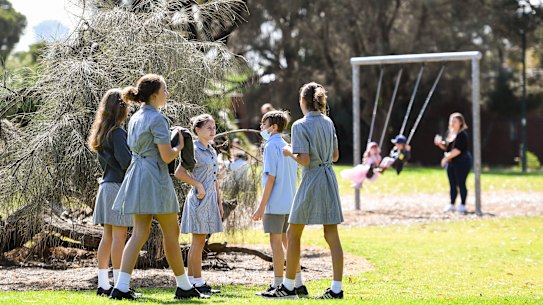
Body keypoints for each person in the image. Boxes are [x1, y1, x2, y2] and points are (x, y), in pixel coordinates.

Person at [110, 74, 208, 300]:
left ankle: (121, 287)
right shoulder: (157, 119)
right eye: (165, 90)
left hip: (136, 176)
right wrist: (180, 144)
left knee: (138, 234)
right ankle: (183, 287)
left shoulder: (135, 117)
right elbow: (166, 157)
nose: (167, 94)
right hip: (155, 177)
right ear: (154, 95)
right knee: (171, 233)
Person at [263, 82, 344, 299]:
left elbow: (305, 160)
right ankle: (336, 289)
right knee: (331, 234)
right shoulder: (329, 122)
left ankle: (289, 287)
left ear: (302, 101)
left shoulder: (299, 125)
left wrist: (290, 152)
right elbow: (335, 156)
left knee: (292, 233)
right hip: (329, 178)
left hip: (312, 180)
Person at [251, 110, 306, 296]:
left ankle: (278, 285)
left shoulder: (270, 147)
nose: (261, 127)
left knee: (276, 243)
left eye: (264, 124)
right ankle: (298, 284)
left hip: (275, 203)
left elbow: (271, 178)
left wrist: (261, 206)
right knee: (289, 243)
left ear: (274, 127)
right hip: (290, 203)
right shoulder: (288, 147)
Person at [87, 89, 134, 297]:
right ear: (121, 108)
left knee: (107, 236)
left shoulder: (101, 131)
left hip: (105, 187)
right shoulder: (117, 132)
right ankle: (118, 286)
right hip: (117, 188)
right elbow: (126, 162)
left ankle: (104, 284)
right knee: (119, 237)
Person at [176, 114, 224, 294]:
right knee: (197, 242)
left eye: (214, 127)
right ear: (197, 130)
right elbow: (179, 173)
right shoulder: (193, 149)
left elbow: (215, 179)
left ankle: (197, 281)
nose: (213, 131)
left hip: (210, 200)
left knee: (201, 242)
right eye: (209, 128)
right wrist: (198, 185)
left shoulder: (212, 150)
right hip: (198, 199)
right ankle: (193, 282)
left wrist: (219, 203)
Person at [434, 112, 472, 214]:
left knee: (461, 183)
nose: (452, 123)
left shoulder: (462, 135)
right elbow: (448, 147)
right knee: (452, 184)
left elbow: (458, 150)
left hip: (462, 162)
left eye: (455, 121)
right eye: (451, 121)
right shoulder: (450, 134)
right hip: (451, 163)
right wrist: (440, 144)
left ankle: (463, 205)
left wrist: (445, 158)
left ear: (460, 123)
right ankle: (452, 203)